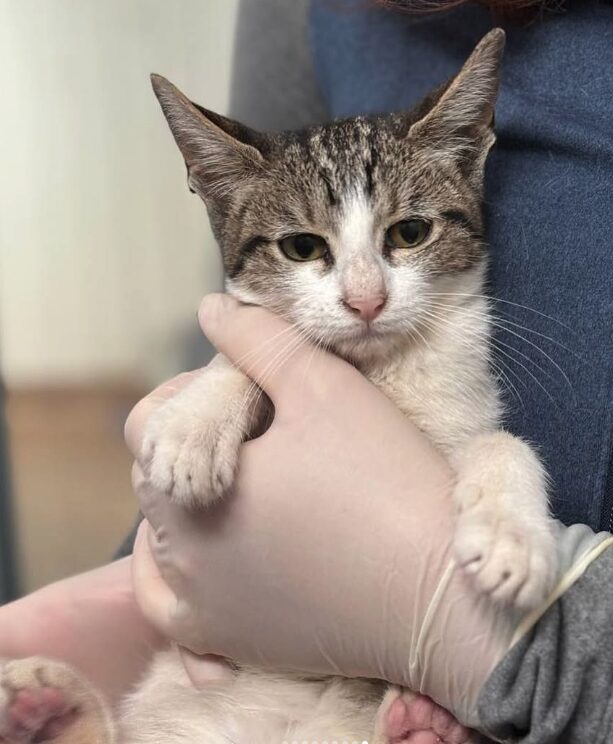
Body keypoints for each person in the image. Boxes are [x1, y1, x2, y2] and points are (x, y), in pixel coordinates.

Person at [1, 0, 612, 741]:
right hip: (234, 692)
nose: (363, 297)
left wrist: (487, 623)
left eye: (407, 232)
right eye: (303, 248)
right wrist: (135, 567)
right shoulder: (300, 19)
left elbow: (470, 454)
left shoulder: (449, 340)